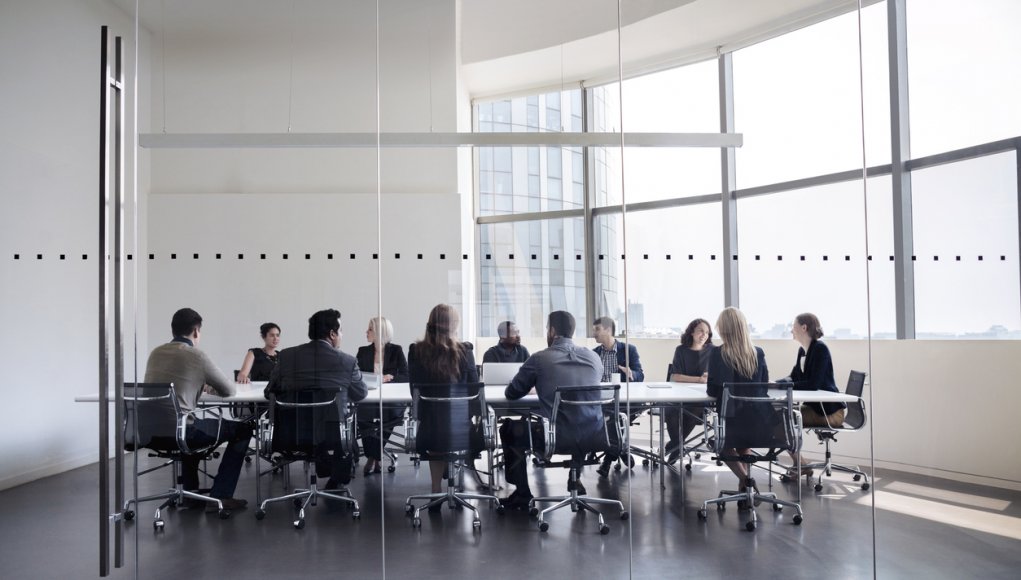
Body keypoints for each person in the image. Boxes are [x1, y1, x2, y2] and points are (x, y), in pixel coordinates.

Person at [143, 308, 252, 511]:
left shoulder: (155, 353)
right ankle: (221, 496)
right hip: (182, 430)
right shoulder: (196, 356)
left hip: (150, 430)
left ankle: (190, 493)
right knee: (243, 430)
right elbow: (228, 390)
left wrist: (198, 384)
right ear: (195, 331)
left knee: (187, 426)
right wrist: (205, 383)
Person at [500, 311, 603, 510]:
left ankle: (522, 494)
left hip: (554, 437)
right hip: (594, 434)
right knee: (578, 419)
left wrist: (538, 384)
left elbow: (512, 392)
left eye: (548, 329)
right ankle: (575, 477)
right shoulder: (593, 357)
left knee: (509, 429)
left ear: (553, 331)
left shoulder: (540, 359)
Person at [265, 309, 367, 490]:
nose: (342, 335)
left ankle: (329, 476)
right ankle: (336, 480)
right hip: (333, 436)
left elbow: (269, 392)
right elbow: (360, 393)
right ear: (332, 334)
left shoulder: (287, 356)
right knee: (343, 424)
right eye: (341, 331)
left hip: (291, 434)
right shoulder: (347, 361)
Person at [407, 304, 479, 505]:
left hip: (429, 429)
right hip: (461, 429)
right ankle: (453, 484)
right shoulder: (465, 351)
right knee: (450, 429)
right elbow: (474, 389)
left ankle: (436, 487)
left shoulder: (416, 351)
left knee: (437, 434)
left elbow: (414, 391)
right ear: (454, 325)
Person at [706, 307, 769, 487]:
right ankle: (746, 490)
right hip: (758, 420)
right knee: (743, 441)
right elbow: (764, 386)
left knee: (723, 445)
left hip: (731, 419)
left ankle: (745, 480)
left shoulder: (718, 353)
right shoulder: (758, 352)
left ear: (723, 329)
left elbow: (712, 390)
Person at [784, 312, 846, 477]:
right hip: (817, 409)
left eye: (793, 326)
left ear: (804, 328)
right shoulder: (802, 351)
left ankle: (801, 466)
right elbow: (794, 376)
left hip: (830, 412)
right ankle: (801, 465)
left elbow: (813, 384)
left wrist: (787, 384)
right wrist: (776, 383)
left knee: (783, 419)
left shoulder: (820, 349)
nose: (791, 330)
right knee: (781, 415)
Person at [591, 316, 644, 476]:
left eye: (597, 330)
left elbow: (640, 376)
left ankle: (608, 460)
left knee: (615, 419)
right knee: (614, 420)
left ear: (608, 330)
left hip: (625, 399)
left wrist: (631, 373)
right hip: (603, 400)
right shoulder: (594, 354)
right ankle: (621, 450)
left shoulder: (628, 350)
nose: (594, 334)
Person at [356, 316, 409, 476]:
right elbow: (356, 376)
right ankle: (376, 456)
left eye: (370, 329)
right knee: (363, 416)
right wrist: (375, 379)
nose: (366, 332)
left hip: (390, 399)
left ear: (380, 332)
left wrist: (389, 378)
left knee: (388, 413)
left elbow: (406, 375)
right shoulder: (363, 351)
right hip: (369, 397)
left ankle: (373, 457)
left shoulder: (396, 350)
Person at [664, 318, 714, 464]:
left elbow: (717, 374)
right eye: (700, 331)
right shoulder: (681, 350)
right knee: (669, 411)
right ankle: (677, 446)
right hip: (679, 395)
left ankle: (674, 446)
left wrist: (709, 377)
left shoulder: (713, 351)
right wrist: (699, 379)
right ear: (692, 332)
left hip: (701, 397)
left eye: (707, 332)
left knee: (695, 409)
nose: (704, 335)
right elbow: (675, 377)